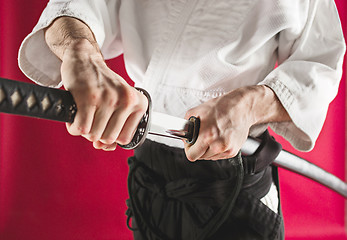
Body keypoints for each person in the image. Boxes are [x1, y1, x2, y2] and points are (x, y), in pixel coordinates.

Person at [18, 0, 345, 239]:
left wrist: (249, 105)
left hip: (233, 176)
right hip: (150, 167)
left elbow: (319, 64)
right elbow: (76, 7)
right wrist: (80, 50)